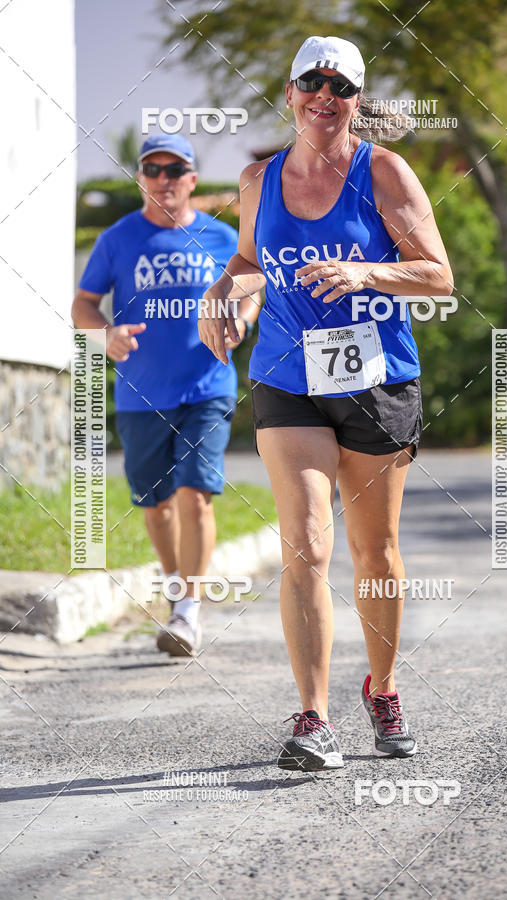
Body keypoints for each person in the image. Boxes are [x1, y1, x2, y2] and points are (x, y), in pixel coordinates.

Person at [199, 36, 453, 770]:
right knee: (306, 544)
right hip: (287, 376)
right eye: (312, 81)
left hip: (375, 380)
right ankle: (313, 717)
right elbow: (250, 260)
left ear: (354, 101)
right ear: (289, 93)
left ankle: (384, 688)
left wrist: (365, 272)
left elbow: (438, 276)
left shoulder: (385, 173)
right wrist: (227, 288)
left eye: (339, 86)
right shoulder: (257, 181)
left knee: (375, 551)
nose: (324, 94)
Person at [72, 132, 259, 657]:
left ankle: (187, 612)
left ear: (191, 180)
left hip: (208, 385)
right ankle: (177, 586)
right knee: (156, 507)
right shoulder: (117, 238)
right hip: (140, 393)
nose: (164, 179)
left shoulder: (223, 239)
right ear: (140, 179)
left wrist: (240, 320)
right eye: (153, 169)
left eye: (174, 170)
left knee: (195, 494)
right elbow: (83, 303)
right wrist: (104, 333)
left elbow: (253, 287)